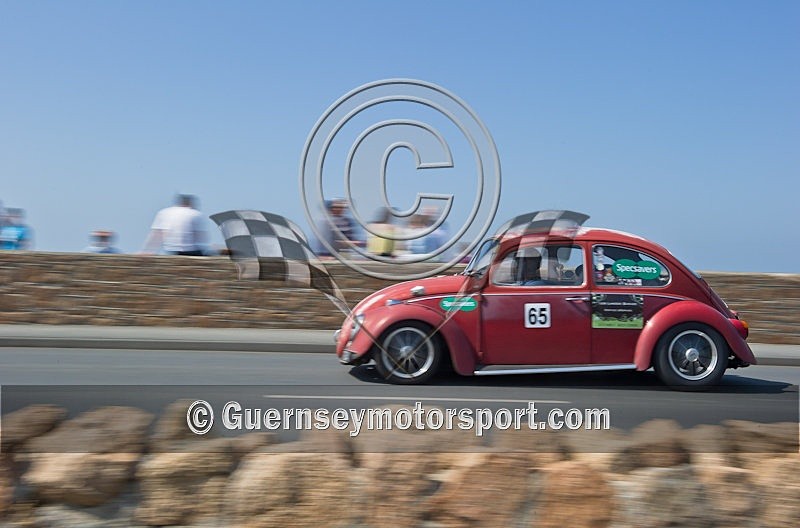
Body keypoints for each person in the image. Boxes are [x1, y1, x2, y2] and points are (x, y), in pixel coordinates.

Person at [142, 194, 206, 255]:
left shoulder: (164, 212)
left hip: (171, 250)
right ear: (190, 203)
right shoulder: (195, 214)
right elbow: (201, 238)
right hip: (190, 251)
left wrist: (147, 250)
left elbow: (157, 234)